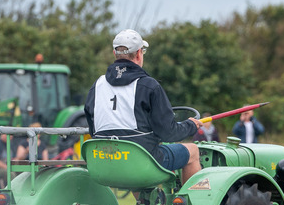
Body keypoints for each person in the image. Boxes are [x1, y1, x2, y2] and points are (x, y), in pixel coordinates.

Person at [84, 28, 202, 183]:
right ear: (139, 54)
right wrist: (190, 126)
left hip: (105, 162)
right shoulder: (149, 85)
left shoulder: (97, 86)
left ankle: (143, 203)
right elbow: (168, 133)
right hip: (140, 163)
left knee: (134, 153)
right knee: (193, 151)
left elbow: (93, 127)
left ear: (115, 54)